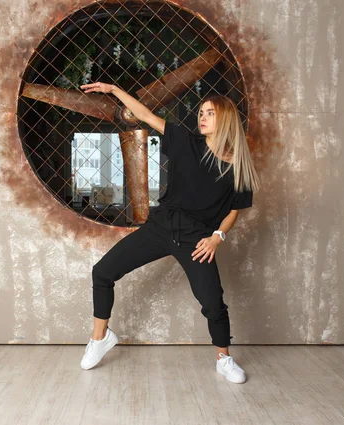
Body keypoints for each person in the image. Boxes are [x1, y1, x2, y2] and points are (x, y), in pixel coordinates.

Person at [78, 82, 261, 384]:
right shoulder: (185, 142)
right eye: (201, 112)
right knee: (103, 272)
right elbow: (146, 115)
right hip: (161, 227)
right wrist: (114, 90)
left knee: (213, 303)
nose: (201, 117)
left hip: (195, 239)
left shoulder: (238, 167)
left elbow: (233, 211)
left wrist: (217, 237)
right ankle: (100, 338)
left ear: (225, 119)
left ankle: (224, 359)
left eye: (210, 113)